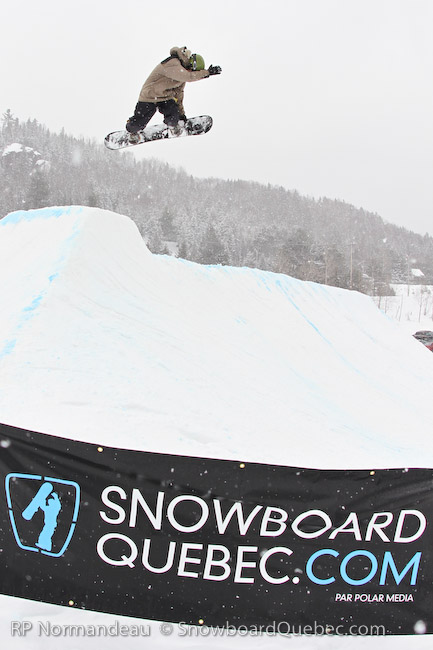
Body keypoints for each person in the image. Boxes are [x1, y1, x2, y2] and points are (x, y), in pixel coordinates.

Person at [126, 46, 222, 142]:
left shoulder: (181, 77)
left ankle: (173, 126)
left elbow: (178, 95)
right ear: (190, 65)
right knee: (138, 123)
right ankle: (132, 131)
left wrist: (181, 114)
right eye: (193, 71)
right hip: (149, 96)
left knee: (173, 116)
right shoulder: (173, 63)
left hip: (165, 98)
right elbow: (189, 77)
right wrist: (207, 73)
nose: (191, 72)